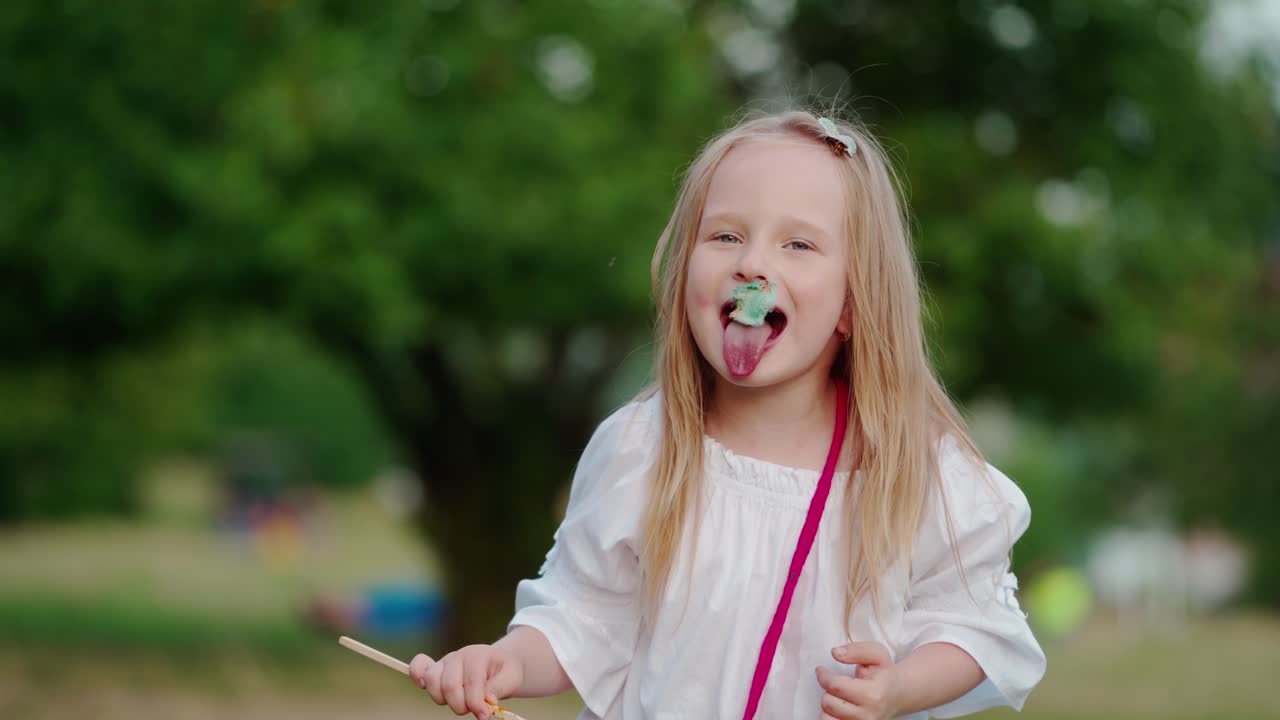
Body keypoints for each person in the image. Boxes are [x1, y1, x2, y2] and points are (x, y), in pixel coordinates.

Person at [409, 110, 1046, 720]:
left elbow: (976, 629)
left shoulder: (914, 471)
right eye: (725, 235)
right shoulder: (644, 448)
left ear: (855, 303)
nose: (752, 264)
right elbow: (582, 618)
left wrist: (900, 686)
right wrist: (506, 662)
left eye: (798, 243)